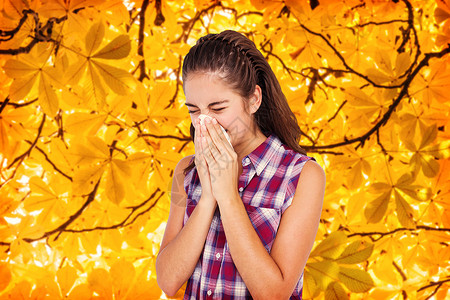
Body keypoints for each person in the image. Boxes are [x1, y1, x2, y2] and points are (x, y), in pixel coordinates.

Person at [155, 30, 325, 299]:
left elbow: (274, 294)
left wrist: (228, 195)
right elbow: (167, 280)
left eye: (218, 108)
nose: (203, 122)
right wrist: (208, 196)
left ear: (254, 99)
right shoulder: (185, 171)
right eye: (194, 110)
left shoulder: (303, 175)